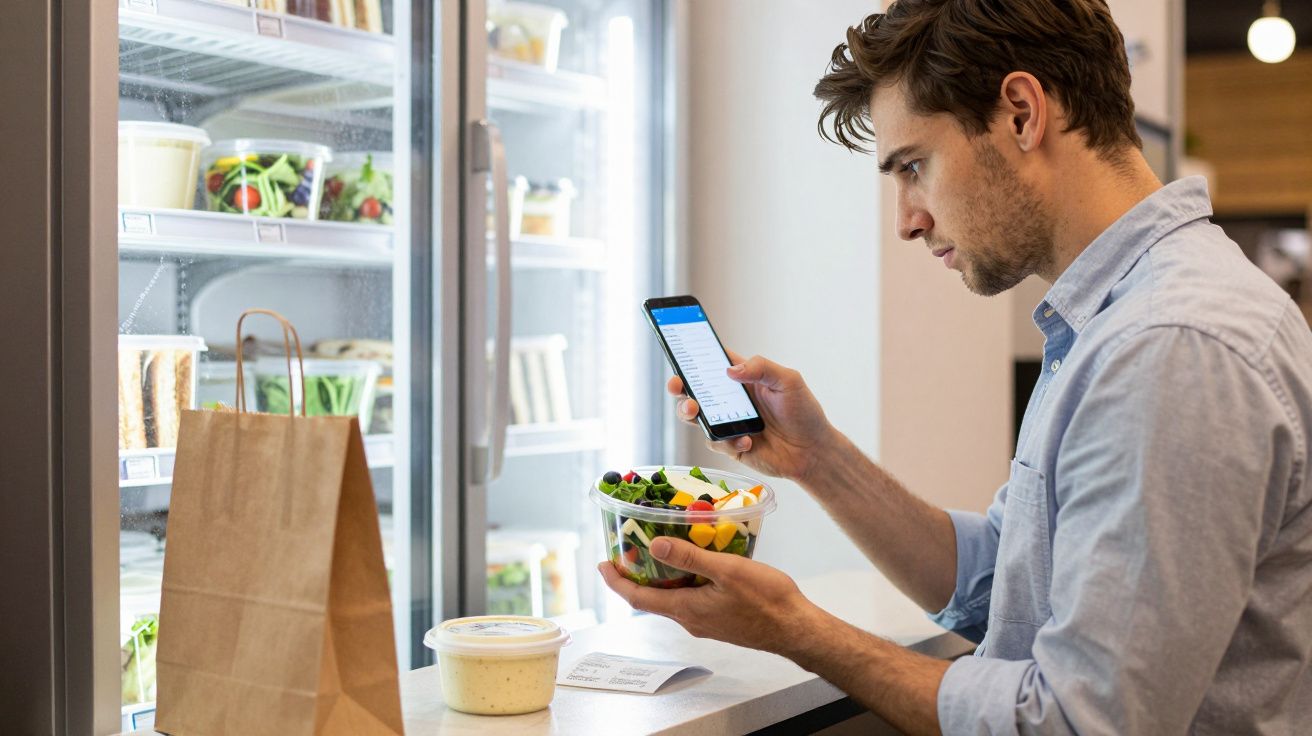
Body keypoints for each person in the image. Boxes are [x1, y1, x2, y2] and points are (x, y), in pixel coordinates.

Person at [597, 1, 1312, 733]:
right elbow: (1001, 584)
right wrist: (819, 461)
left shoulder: (1170, 345)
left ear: (1022, 114)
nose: (907, 218)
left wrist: (795, 628)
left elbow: (1075, 721)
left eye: (914, 166)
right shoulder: (1117, 320)